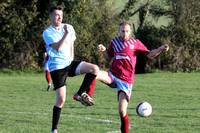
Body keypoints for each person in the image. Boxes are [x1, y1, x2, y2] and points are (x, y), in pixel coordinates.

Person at [97, 21, 169, 133]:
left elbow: (149, 54)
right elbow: (108, 57)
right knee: (95, 72)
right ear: (118, 31)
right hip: (113, 75)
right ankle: (85, 95)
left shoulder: (135, 43)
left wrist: (160, 49)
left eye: (127, 31)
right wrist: (104, 50)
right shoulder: (114, 42)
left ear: (130, 32)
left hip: (126, 81)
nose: (124, 33)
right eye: (122, 31)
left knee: (122, 110)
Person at [42, 5, 98, 133]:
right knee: (61, 100)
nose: (59, 18)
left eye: (61, 15)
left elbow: (71, 44)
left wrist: (72, 58)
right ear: (50, 16)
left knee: (94, 69)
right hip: (57, 68)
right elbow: (58, 47)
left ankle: (79, 94)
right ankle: (54, 130)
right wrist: (66, 33)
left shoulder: (69, 27)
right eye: (56, 15)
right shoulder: (47, 32)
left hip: (69, 63)